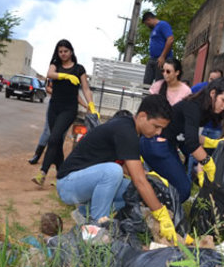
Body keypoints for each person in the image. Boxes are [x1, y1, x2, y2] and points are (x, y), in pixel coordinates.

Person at [56, 94, 183, 243]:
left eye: (162, 128)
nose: (158, 132)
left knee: (131, 190)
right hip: (68, 184)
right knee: (113, 172)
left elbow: (132, 172)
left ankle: (85, 212)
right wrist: (161, 214)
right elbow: (139, 180)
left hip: (84, 183)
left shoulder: (128, 128)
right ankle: (96, 230)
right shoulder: (126, 131)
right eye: (156, 126)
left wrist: (151, 178)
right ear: (142, 116)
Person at [141, 77, 224, 203]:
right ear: (213, 93)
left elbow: (190, 135)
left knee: (180, 187)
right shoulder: (194, 107)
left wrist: (212, 143)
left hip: (166, 144)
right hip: (155, 143)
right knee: (183, 189)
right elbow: (191, 143)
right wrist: (208, 164)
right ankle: (152, 208)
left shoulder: (204, 110)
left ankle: (149, 205)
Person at [32, 39, 99, 185]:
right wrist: (65, 76)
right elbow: (50, 74)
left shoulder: (79, 69)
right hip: (54, 107)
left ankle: (42, 173)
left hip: (69, 109)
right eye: (60, 51)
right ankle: (62, 174)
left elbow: (86, 89)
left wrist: (91, 105)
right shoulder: (55, 65)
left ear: (71, 52)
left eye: (65, 51)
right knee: (56, 141)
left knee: (54, 138)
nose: (63, 54)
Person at [142, 12, 174, 85]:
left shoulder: (163, 25)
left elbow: (170, 39)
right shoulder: (154, 30)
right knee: (146, 82)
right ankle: (145, 96)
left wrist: (162, 56)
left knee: (159, 84)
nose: (147, 26)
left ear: (149, 19)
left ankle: (158, 96)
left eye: (146, 24)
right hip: (152, 59)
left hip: (162, 59)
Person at [28, 79, 53, 165]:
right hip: (55, 104)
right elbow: (48, 88)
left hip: (68, 108)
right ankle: (37, 155)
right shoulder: (56, 70)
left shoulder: (76, 71)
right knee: (47, 131)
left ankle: (53, 158)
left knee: (60, 135)